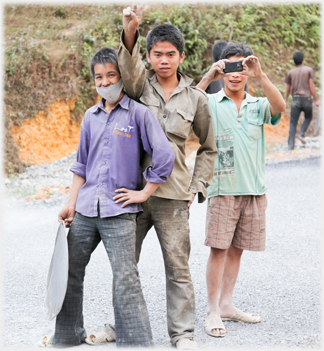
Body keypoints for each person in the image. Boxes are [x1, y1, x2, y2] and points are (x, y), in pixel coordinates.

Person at [88, 5, 218, 350]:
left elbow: (209, 147)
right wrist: (129, 29)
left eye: (170, 54)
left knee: (177, 267)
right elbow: (128, 66)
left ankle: (183, 334)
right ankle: (121, 326)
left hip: (173, 194)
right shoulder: (137, 89)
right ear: (149, 56)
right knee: (125, 266)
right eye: (157, 54)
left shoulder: (196, 99)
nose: (163, 60)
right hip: (130, 191)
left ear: (181, 56)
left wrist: (198, 186)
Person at [38, 46, 175, 348]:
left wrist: (143, 192)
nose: (105, 82)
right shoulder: (91, 116)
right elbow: (81, 164)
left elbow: (164, 156)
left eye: (111, 75)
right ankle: (68, 335)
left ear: (122, 77)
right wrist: (70, 202)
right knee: (71, 271)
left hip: (120, 211)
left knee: (126, 277)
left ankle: (136, 341)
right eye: (99, 77)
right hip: (86, 208)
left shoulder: (138, 114)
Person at [197, 42, 285, 338]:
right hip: (223, 188)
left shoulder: (257, 104)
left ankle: (226, 305)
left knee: (237, 250)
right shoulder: (211, 102)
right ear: (222, 69)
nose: (236, 74)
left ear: (247, 70)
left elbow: (280, 107)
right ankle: (211, 310)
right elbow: (187, 105)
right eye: (230, 67)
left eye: (241, 67)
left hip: (253, 189)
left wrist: (261, 76)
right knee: (219, 250)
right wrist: (208, 77)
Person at [285, 51, 320, 150]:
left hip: (295, 100)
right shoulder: (308, 70)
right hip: (307, 99)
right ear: (303, 60)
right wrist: (316, 99)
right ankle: (301, 133)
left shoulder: (290, 72)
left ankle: (290, 146)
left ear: (294, 61)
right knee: (308, 118)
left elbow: (288, 88)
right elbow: (311, 86)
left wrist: (285, 99)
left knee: (293, 123)